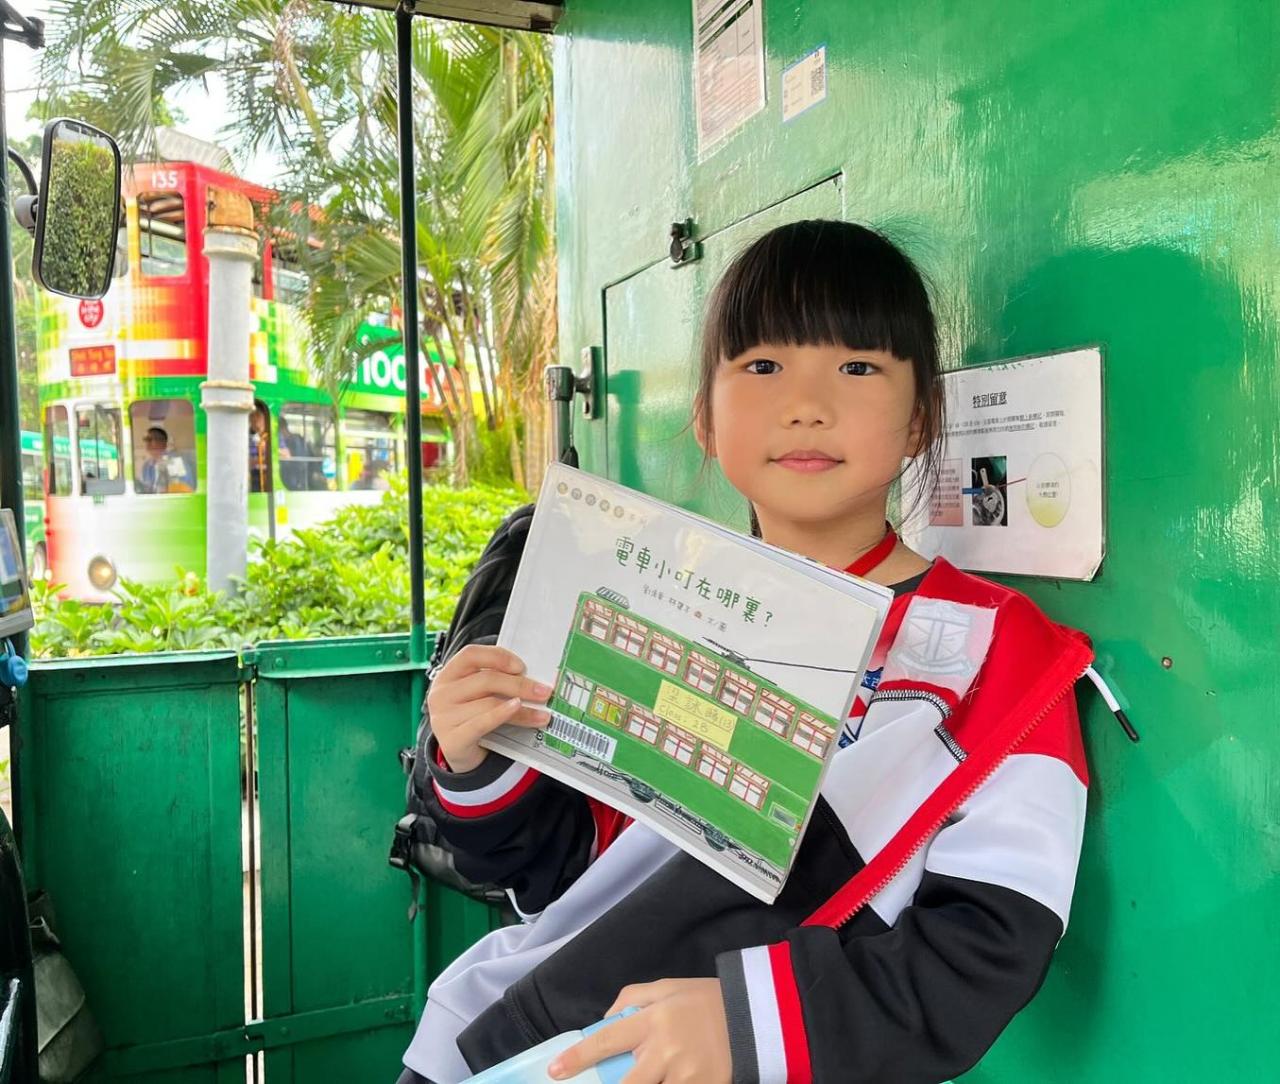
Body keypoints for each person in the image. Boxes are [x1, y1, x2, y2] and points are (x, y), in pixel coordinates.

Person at [398, 221, 1091, 1084]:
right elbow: (554, 871)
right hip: (528, 1041)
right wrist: (473, 759)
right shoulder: (641, 607)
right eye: (762, 366)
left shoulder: (996, 651)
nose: (806, 404)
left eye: (857, 367)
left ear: (919, 421)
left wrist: (747, 1021)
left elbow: (987, 945)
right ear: (705, 418)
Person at [136, 426, 191, 494]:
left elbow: (183, 489)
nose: (147, 443)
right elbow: (147, 488)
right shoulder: (147, 465)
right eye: (145, 440)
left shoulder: (173, 461)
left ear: (164, 442)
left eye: (149, 439)